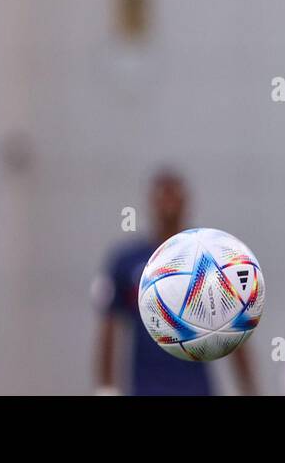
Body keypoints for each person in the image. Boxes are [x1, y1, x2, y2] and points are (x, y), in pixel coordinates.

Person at [93, 168, 257, 395]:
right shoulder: (127, 261)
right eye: (163, 196)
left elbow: (234, 324)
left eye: (174, 195)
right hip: (146, 387)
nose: (168, 203)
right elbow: (109, 325)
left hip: (196, 387)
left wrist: (248, 387)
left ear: (186, 201)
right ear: (152, 202)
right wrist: (106, 387)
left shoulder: (210, 260)